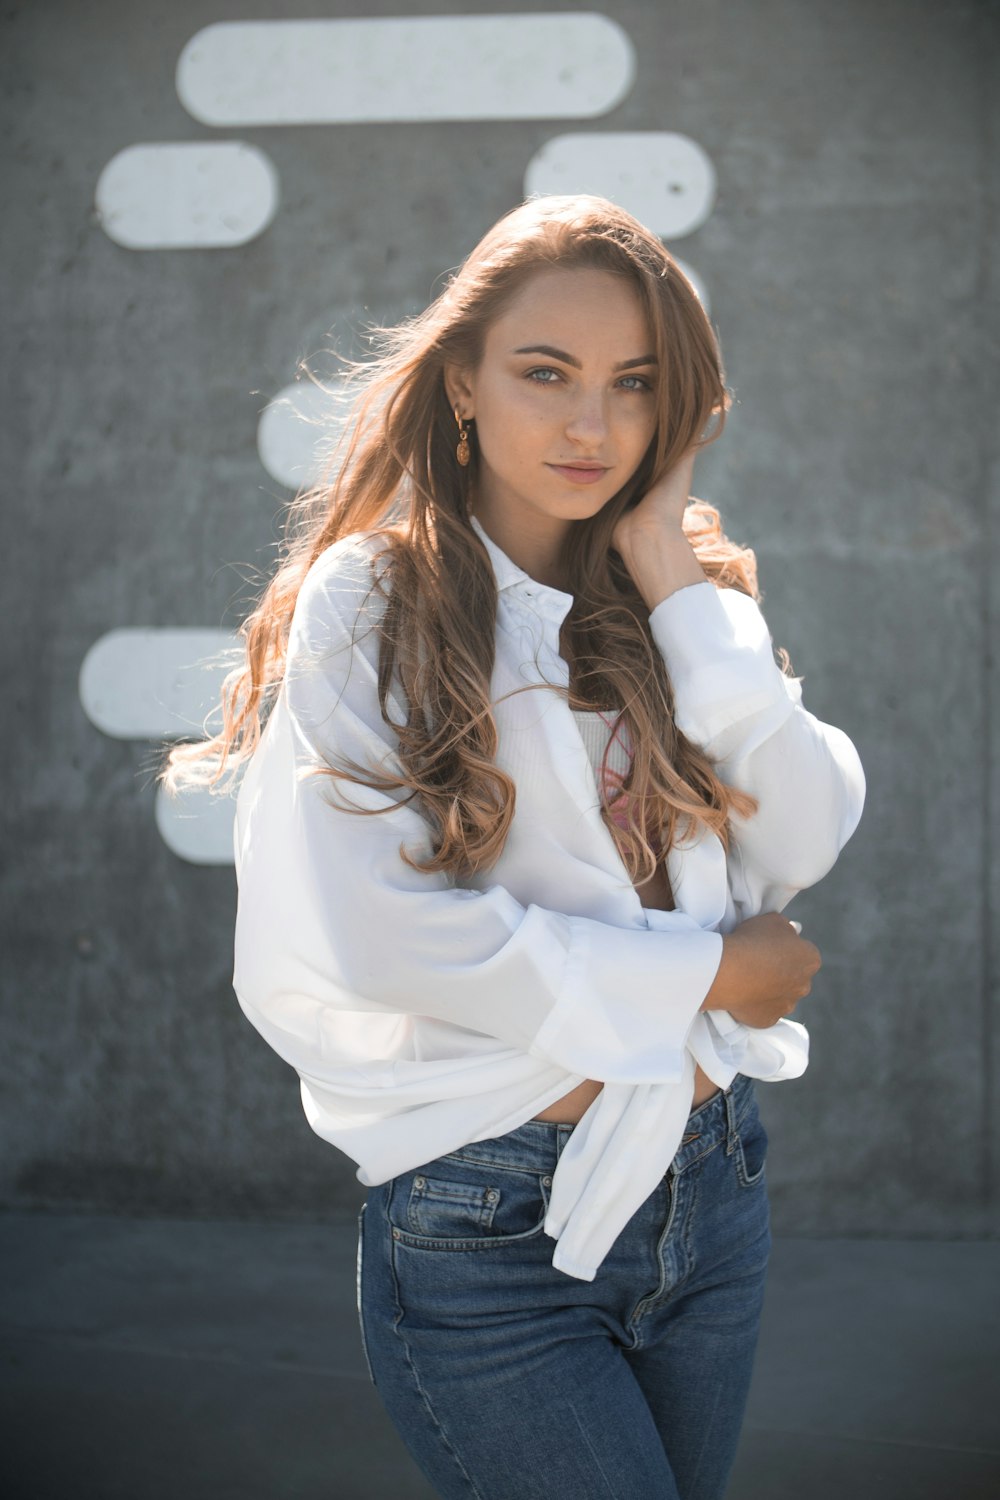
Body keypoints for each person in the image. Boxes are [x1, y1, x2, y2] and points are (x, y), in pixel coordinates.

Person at [161, 193, 865, 1499]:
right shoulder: (377, 601)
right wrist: (704, 978)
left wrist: (669, 575)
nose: (590, 424)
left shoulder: (682, 594)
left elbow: (812, 830)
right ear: (466, 385)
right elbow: (377, 932)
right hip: (488, 1227)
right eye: (546, 374)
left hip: (710, 1198)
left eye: (632, 385)